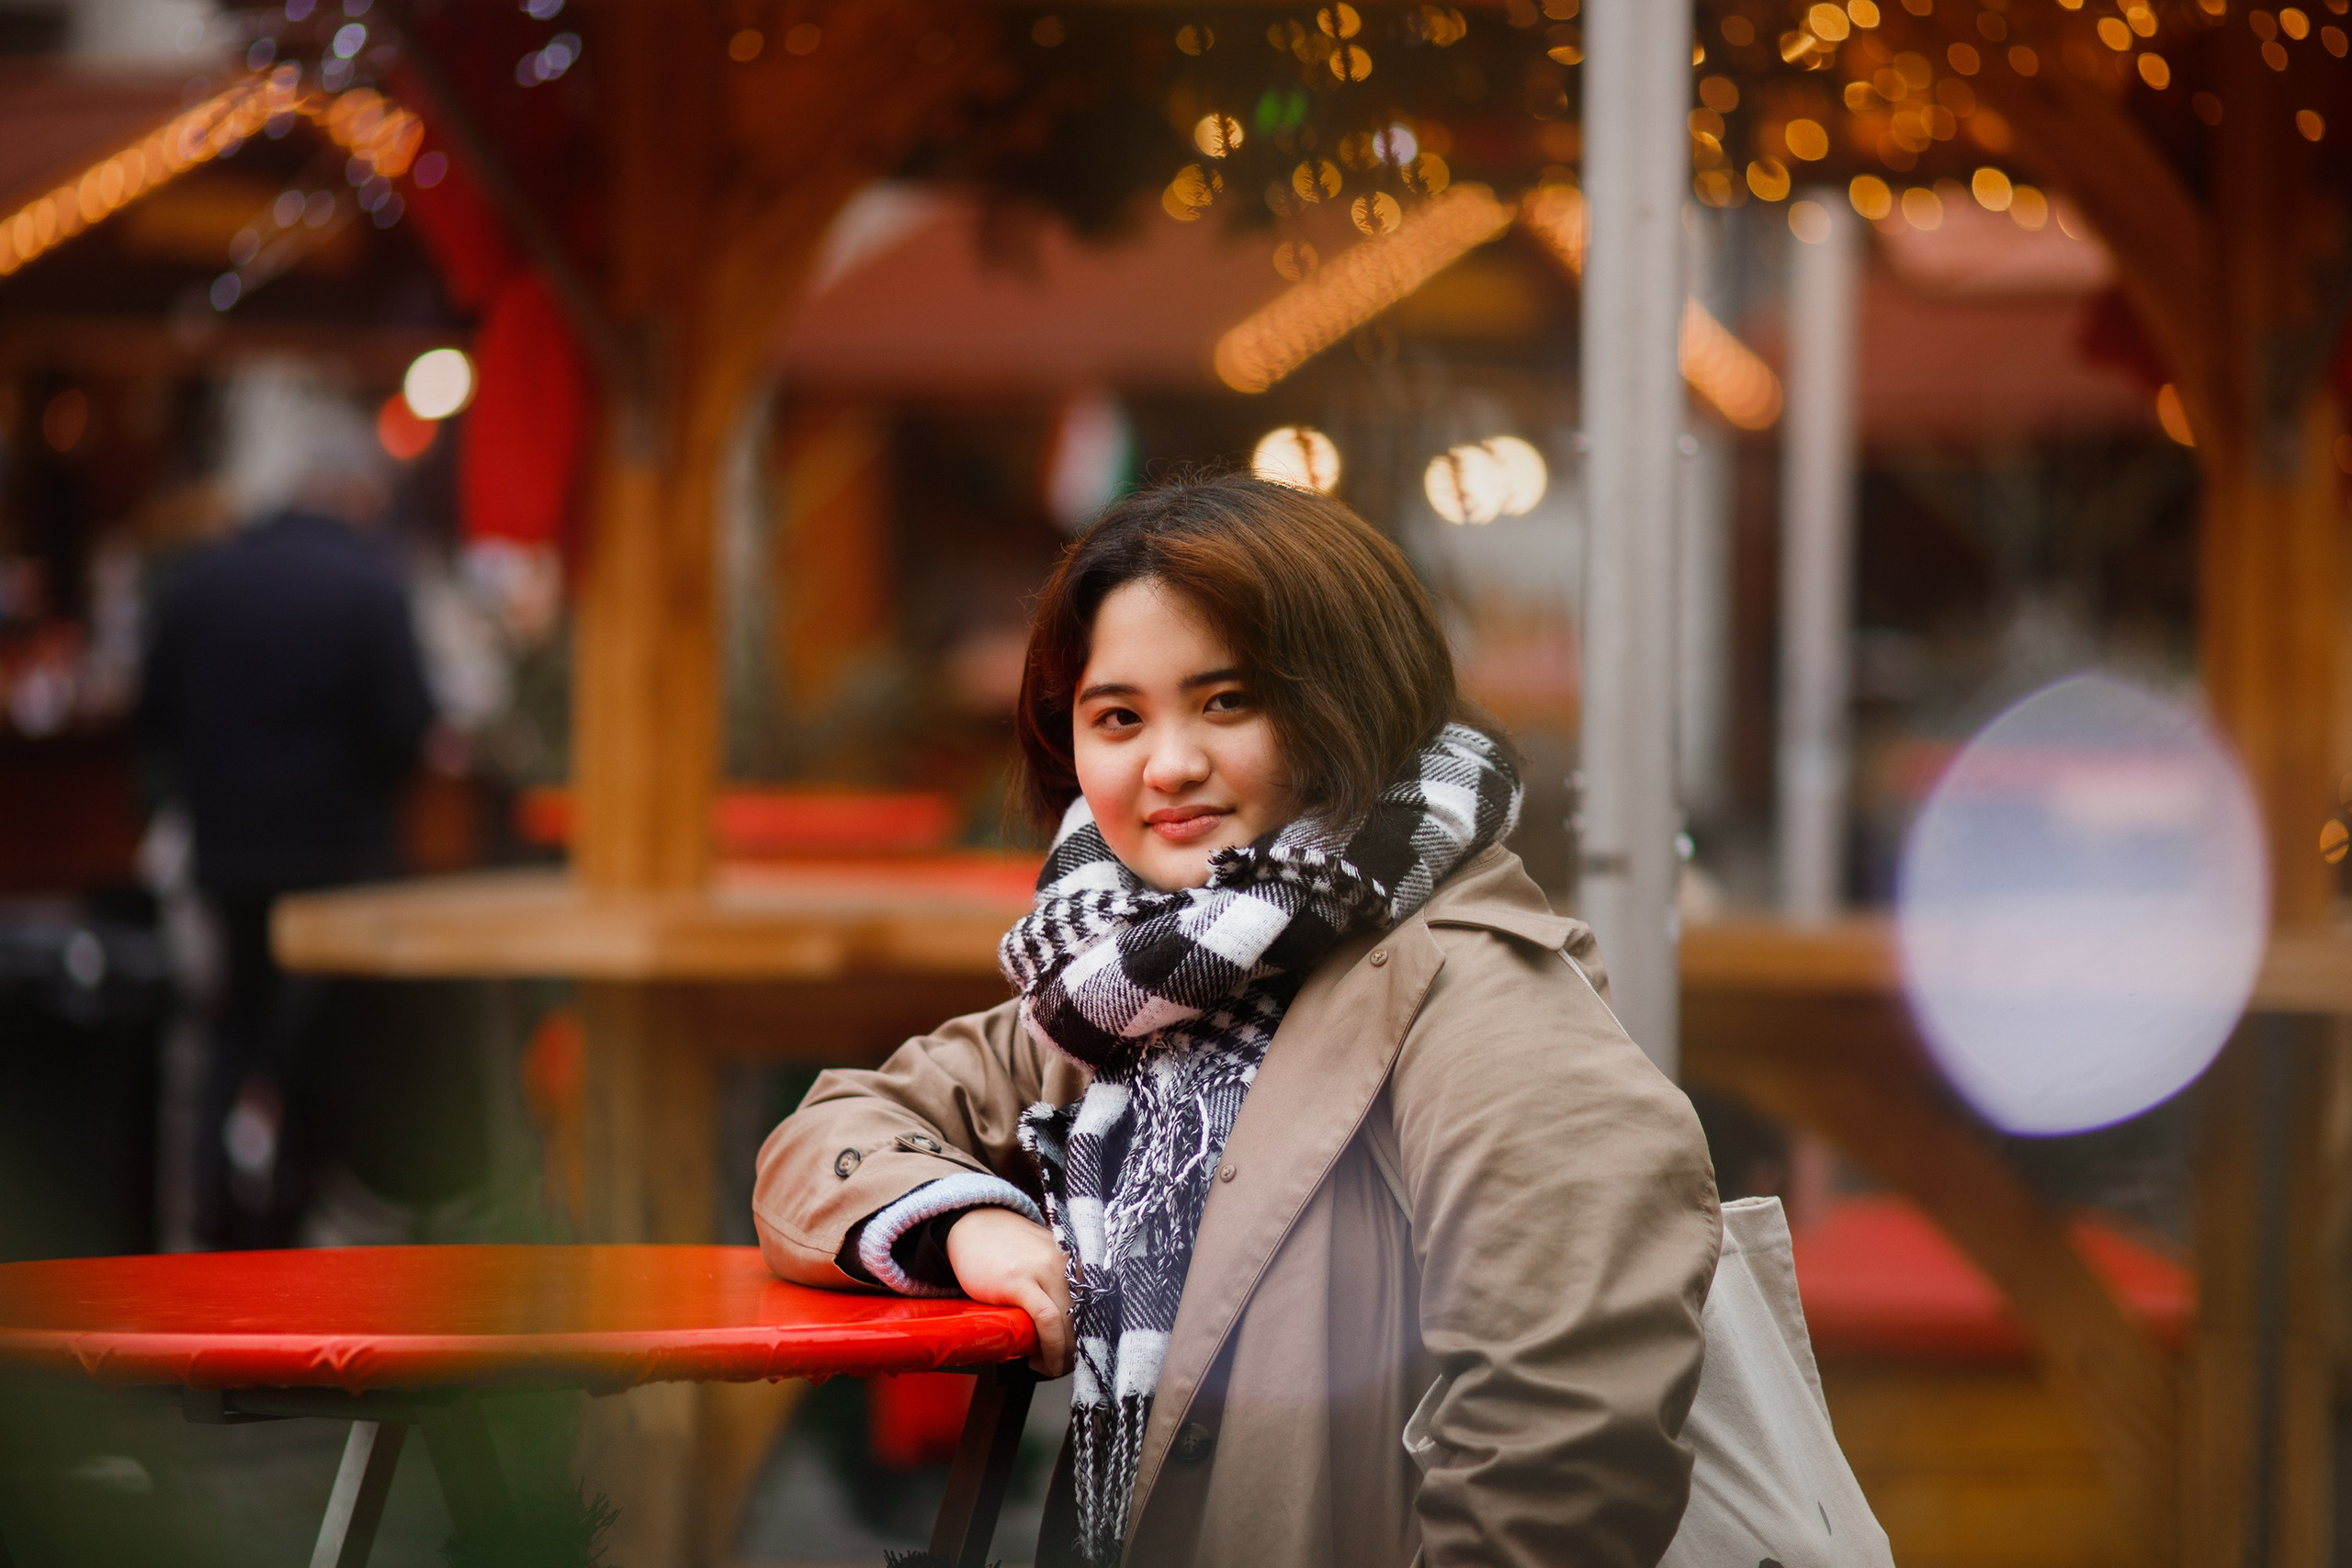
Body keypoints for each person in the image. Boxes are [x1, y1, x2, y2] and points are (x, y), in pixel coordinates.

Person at [754, 474, 1720, 1568]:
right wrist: (968, 1224)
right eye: (1118, 718)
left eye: (1226, 703)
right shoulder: (1127, 992)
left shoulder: (1481, 998)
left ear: (1353, 704)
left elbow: (1566, 1462)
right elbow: (831, 1133)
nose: (1170, 766)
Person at [140, 383, 434, 1249]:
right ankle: (297, 1214)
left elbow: (152, 714)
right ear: (354, 492)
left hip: (230, 852)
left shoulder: (199, 580)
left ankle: (214, 1218)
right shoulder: (372, 585)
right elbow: (408, 724)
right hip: (340, 859)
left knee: (235, 1027)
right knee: (323, 1041)